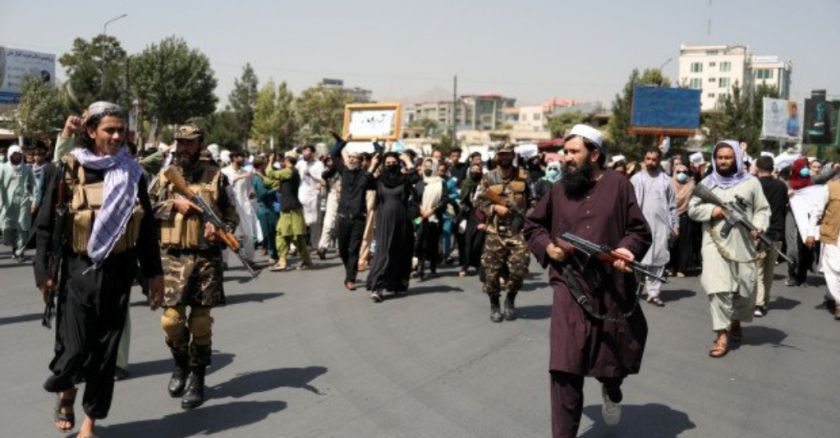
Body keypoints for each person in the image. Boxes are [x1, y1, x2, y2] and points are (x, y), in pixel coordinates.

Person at [34, 102, 164, 437]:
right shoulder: (67, 169)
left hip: (118, 271)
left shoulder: (133, 173)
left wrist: (154, 275)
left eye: (121, 130)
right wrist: (43, 272)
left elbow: (147, 228)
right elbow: (47, 226)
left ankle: (89, 423)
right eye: (110, 129)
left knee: (105, 355)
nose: (117, 136)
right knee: (74, 348)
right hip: (77, 269)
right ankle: (66, 393)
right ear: (91, 131)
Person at [524, 124, 651, 438]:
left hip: (611, 289)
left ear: (594, 155)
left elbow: (639, 231)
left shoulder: (620, 185)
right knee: (565, 367)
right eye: (565, 152)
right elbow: (533, 226)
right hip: (569, 287)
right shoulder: (557, 190)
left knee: (612, 360)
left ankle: (611, 388)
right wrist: (549, 248)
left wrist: (626, 249)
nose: (565, 158)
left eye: (573, 152)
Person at [149, 124, 239, 409]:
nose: (184, 147)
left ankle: (197, 377)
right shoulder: (164, 177)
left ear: (201, 145)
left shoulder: (217, 178)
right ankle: (180, 364)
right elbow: (144, 208)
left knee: (200, 323)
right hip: (171, 258)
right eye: (180, 143)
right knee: (171, 321)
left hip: (205, 259)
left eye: (190, 143)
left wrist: (220, 229)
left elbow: (231, 214)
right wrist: (173, 205)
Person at [688, 140, 770, 358]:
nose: (723, 161)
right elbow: (692, 209)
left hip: (743, 244)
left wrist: (760, 225)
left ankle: (735, 321)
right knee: (718, 288)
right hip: (714, 243)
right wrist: (714, 210)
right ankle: (721, 335)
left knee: (744, 288)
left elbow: (762, 209)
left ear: (736, 158)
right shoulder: (707, 183)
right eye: (720, 157)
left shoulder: (751, 183)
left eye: (728, 157)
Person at [477, 142, 532, 323]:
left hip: (517, 231)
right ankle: (495, 304)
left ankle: (510, 300)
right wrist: (493, 208)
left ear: (513, 155)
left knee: (519, 269)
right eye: (501, 155)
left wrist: (529, 216)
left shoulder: (524, 176)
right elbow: (477, 201)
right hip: (495, 233)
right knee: (491, 275)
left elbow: (534, 200)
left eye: (508, 154)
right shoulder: (488, 178)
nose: (505, 157)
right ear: (496, 157)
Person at [323, 132, 377, 291]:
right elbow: (333, 154)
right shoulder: (343, 170)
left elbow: (378, 158)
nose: (352, 159)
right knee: (342, 250)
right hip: (343, 217)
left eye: (356, 158)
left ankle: (350, 278)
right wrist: (344, 141)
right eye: (351, 157)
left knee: (354, 250)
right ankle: (350, 269)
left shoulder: (366, 176)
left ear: (361, 162)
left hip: (359, 218)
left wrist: (375, 144)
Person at [366, 152, 418, 301]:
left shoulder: (404, 179)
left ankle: (399, 283)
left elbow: (416, 180)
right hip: (384, 218)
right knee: (384, 250)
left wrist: (408, 161)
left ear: (398, 163)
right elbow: (365, 182)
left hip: (403, 218)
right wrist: (373, 164)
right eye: (387, 162)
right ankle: (378, 287)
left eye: (393, 162)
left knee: (401, 249)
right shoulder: (379, 180)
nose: (390, 165)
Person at [630, 148, 677, 307]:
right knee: (638, 259)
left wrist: (675, 225)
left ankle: (653, 293)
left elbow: (672, 206)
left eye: (654, 159)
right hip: (640, 226)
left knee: (658, 260)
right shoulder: (636, 179)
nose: (650, 162)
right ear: (644, 158)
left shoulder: (666, 180)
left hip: (661, 226)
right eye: (647, 158)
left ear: (659, 160)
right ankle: (634, 291)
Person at [265, 150, 313, 271]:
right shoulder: (289, 173)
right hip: (290, 208)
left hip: (291, 209)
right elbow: (272, 181)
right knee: (293, 236)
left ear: (287, 160)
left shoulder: (290, 171)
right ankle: (301, 261)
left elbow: (270, 174)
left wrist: (270, 161)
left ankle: (284, 261)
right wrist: (259, 175)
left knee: (284, 234)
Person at [754, 156, 787, 317]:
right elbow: (782, 208)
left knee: (757, 270)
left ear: (757, 167)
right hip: (776, 232)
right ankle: (765, 301)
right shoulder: (781, 186)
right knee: (769, 271)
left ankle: (758, 303)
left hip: (758, 232)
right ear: (773, 168)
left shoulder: (754, 185)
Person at [807, 172, 840, 320]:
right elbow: (817, 210)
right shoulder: (830, 188)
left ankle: (832, 297)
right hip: (833, 235)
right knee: (832, 268)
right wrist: (810, 233)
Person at [220, 148, 259, 263]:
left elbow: (249, 190)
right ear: (233, 158)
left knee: (248, 235)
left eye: (243, 157)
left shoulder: (245, 173)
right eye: (240, 157)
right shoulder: (224, 172)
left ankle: (250, 260)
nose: (243, 159)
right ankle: (224, 262)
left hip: (243, 208)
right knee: (227, 235)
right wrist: (236, 178)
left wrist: (252, 193)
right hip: (228, 209)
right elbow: (223, 187)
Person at [414, 158, 449, 280]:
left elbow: (444, 200)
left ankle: (433, 266)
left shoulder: (441, 183)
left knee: (432, 243)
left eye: (430, 166)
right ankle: (420, 267)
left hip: (435, 218)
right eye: (426, 166)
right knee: (419, 241)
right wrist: (420, 209)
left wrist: (432, 210)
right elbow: (415, 199)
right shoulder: (420, 182)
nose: (428, 169)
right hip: (420, 217)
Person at [0, 144, 35, 260]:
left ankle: (19, 252)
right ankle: (14, 245)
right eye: (14, 155)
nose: (17, 157)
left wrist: (34, 200)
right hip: (8, 202)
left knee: (22, 227)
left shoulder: (26, 169)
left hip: (24, 201)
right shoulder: (3, 168)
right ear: (9, 155)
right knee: (6, 227)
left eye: (19, 155)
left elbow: (33, 185)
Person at [786, 158, 814, 287]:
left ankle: (802, 277)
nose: (805, 169)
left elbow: (825, 176)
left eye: (806, 166)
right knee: (792, 248)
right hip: (791, 215)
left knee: (806, 247)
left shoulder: (812, 182)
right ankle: (792, 274)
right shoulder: (788, 184)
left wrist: (834, 168)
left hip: (807, 218)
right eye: (802, 166)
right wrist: (787, 195)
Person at [458, 163, 487, 277]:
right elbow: (462, 199)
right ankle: (465, 265)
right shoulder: (466, 183)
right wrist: (462, 205)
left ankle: (477, 264)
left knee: (478, 242)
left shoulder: (485, 184)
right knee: (468, 242)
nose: (475, 172)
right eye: (473, 169)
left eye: (478, 169)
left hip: (481, 214)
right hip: (468, 215)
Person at [669, 163, 697, 277]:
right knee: (672, 243)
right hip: (671, 216)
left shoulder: (691, 185)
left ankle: (681, 268)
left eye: (684, 172)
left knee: (684, 243)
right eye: (679, 172)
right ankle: (671, 266)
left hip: (686, 216)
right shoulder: (669, 185)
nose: (681, 174)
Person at [251, 156, 279, 264]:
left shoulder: (261, 175)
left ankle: (275, 254)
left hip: (269, 208)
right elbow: (262, 194)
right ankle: (273, 255)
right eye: (265, 163)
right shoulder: (258, 178)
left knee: (273, 232)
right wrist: (275, 189)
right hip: (265, 209)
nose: (267, 165)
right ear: (260, 165)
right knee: (269, 233)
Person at [296, 145, 325, 247]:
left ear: (312, 153)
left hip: (313, 196)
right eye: (303, 151)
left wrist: (311, 174)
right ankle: (297, 245)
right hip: (301, 195)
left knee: (314, 222)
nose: (304, 153)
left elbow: (322, 181)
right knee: (299, 220)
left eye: (307, 151)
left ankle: (315, 245)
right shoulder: (299, 163)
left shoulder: (319, 164)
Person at [317, 155, 341, 259]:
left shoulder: (344, 169)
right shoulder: (326, 172)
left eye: (332, 160)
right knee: (328, 222)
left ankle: (340, 247)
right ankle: (323, 247)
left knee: (341, 223)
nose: (330, 163)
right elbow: (323, 181)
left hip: (346, 197)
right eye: (328, 161)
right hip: (332, 196)